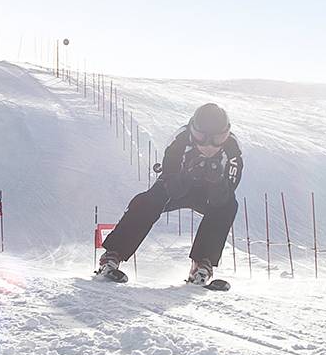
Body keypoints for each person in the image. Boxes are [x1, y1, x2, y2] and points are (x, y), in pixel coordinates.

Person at [96, 103, 242, 285]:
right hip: (179, 186)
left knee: (228, 205)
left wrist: (217, 181)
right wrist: (188, 174)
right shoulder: (180, 141)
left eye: (217, 139)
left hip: (210, 194)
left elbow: (224, 195)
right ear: (192, 131)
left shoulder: (232, 149)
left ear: (226, 135)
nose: (208, 145)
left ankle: (202, 264)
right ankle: (112, 255)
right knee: (148, 201)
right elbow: (171, 186)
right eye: (201, 137)